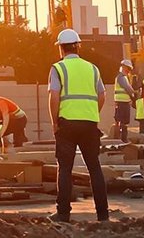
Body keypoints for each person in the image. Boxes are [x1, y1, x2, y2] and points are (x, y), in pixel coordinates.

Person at [47, 28, 109, 223]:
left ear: (61, 49)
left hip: (67, 124)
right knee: (94, 168)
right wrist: (91, 113)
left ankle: (63, 214)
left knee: (64, 168)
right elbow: (102, 95)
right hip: (90, 124)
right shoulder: (93, 68)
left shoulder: (58, 68)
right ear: (78, 46)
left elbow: (54, 97)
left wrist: (54, 122)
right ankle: (103, 214)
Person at [111, 58, 136, 141]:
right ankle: (122, 139)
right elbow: (127, 88)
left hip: (123, 102)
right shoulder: (121, 77)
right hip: (122, 102)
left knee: (122, 120)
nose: (129, 70)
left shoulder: (123, 77)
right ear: (124, 67)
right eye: (128, 68)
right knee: (122, 121)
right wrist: (134, 94)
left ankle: (121, 138)